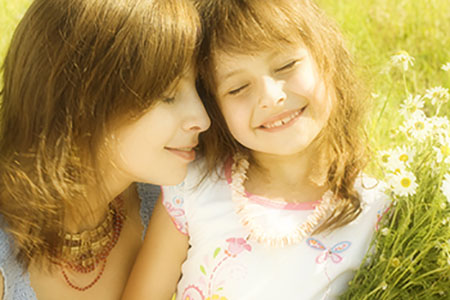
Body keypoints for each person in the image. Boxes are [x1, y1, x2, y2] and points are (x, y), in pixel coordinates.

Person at [122, 0, 388, 299]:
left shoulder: (376, 210)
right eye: (237, 88)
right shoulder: (193, 190)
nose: (270, 97)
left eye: (286, 66)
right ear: (214, 107)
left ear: (327, 58)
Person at [0, 0, 210, 299]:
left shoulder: (174, 206)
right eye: (168, 96)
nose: (202, 119)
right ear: (82, 102)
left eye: (199, 89)